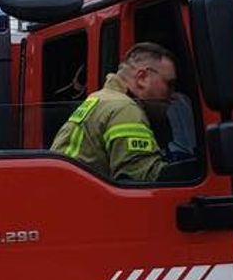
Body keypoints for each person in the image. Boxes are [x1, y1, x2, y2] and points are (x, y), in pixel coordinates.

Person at [51, 42, 176, 181]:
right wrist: (184, 172)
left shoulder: (99, 98)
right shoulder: (125, 110)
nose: (172, 94)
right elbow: (141, 177)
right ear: (142, 78)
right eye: (169, 84)